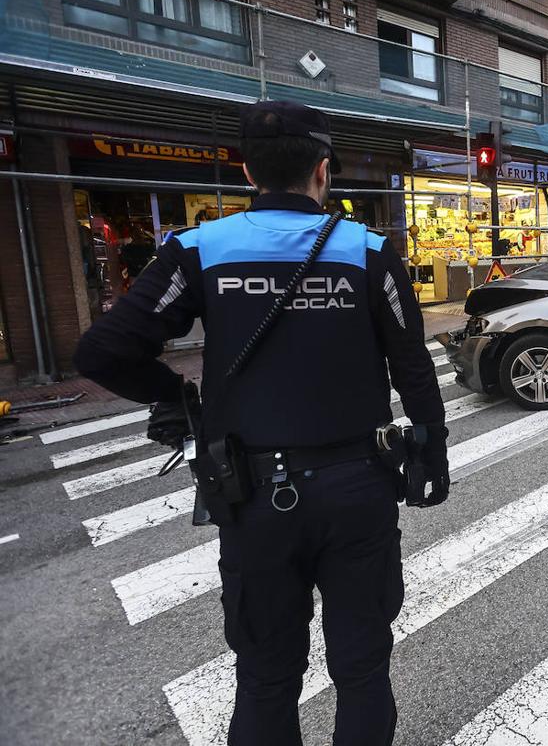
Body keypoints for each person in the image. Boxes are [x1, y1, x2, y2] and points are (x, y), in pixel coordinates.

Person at [73, 100, 448, 746]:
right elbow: (414, 369)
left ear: (247, 172)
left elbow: (100, 351)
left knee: (266, 676)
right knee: (361, 669)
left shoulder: (198, 249)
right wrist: (432, 458)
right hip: (359, 490)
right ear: (323, 171)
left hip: (253, 498)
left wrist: (177, 395)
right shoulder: (370, 252)